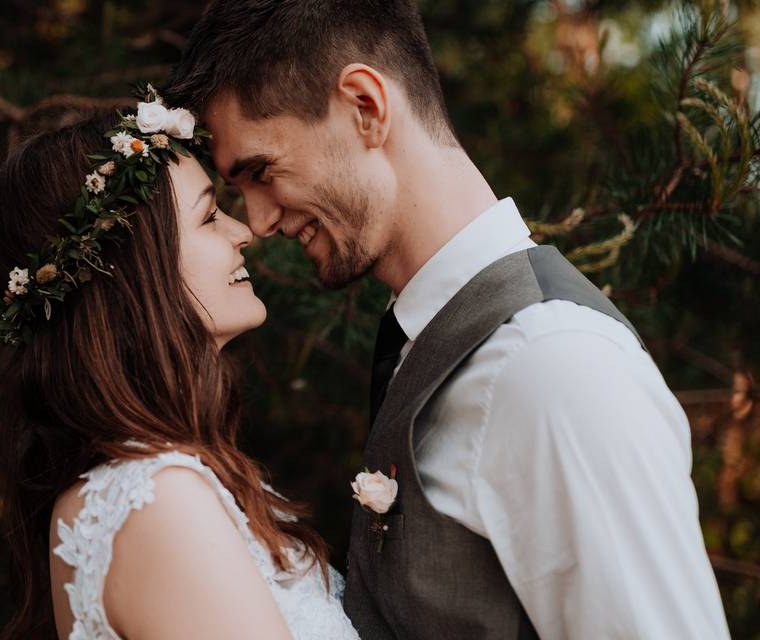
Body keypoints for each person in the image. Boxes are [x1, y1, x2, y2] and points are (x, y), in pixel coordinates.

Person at [164, 0, 732, 637]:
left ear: (365, 108)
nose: (261, 219)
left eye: (262, 171)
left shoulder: (552, 365)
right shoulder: (439, 341)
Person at [0, 95, 359, 639]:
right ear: (131, 273)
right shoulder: (157, 502)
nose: (243, 231)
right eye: (208, 216)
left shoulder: (157, 485)